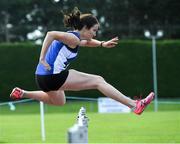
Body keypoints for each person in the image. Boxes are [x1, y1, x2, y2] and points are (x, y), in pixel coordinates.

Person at [10, 7, 154, 115]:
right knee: (98, 81)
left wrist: (102, 44)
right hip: (53, 76)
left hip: (41, 78)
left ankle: (23, 93)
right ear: (85, 28)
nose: (95, 34)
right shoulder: (73, 38)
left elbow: (88, 42)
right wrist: (41, 57)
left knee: (59, 102)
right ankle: (134, 105)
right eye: (94, 30)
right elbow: (50, 34)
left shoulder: (76, 39)